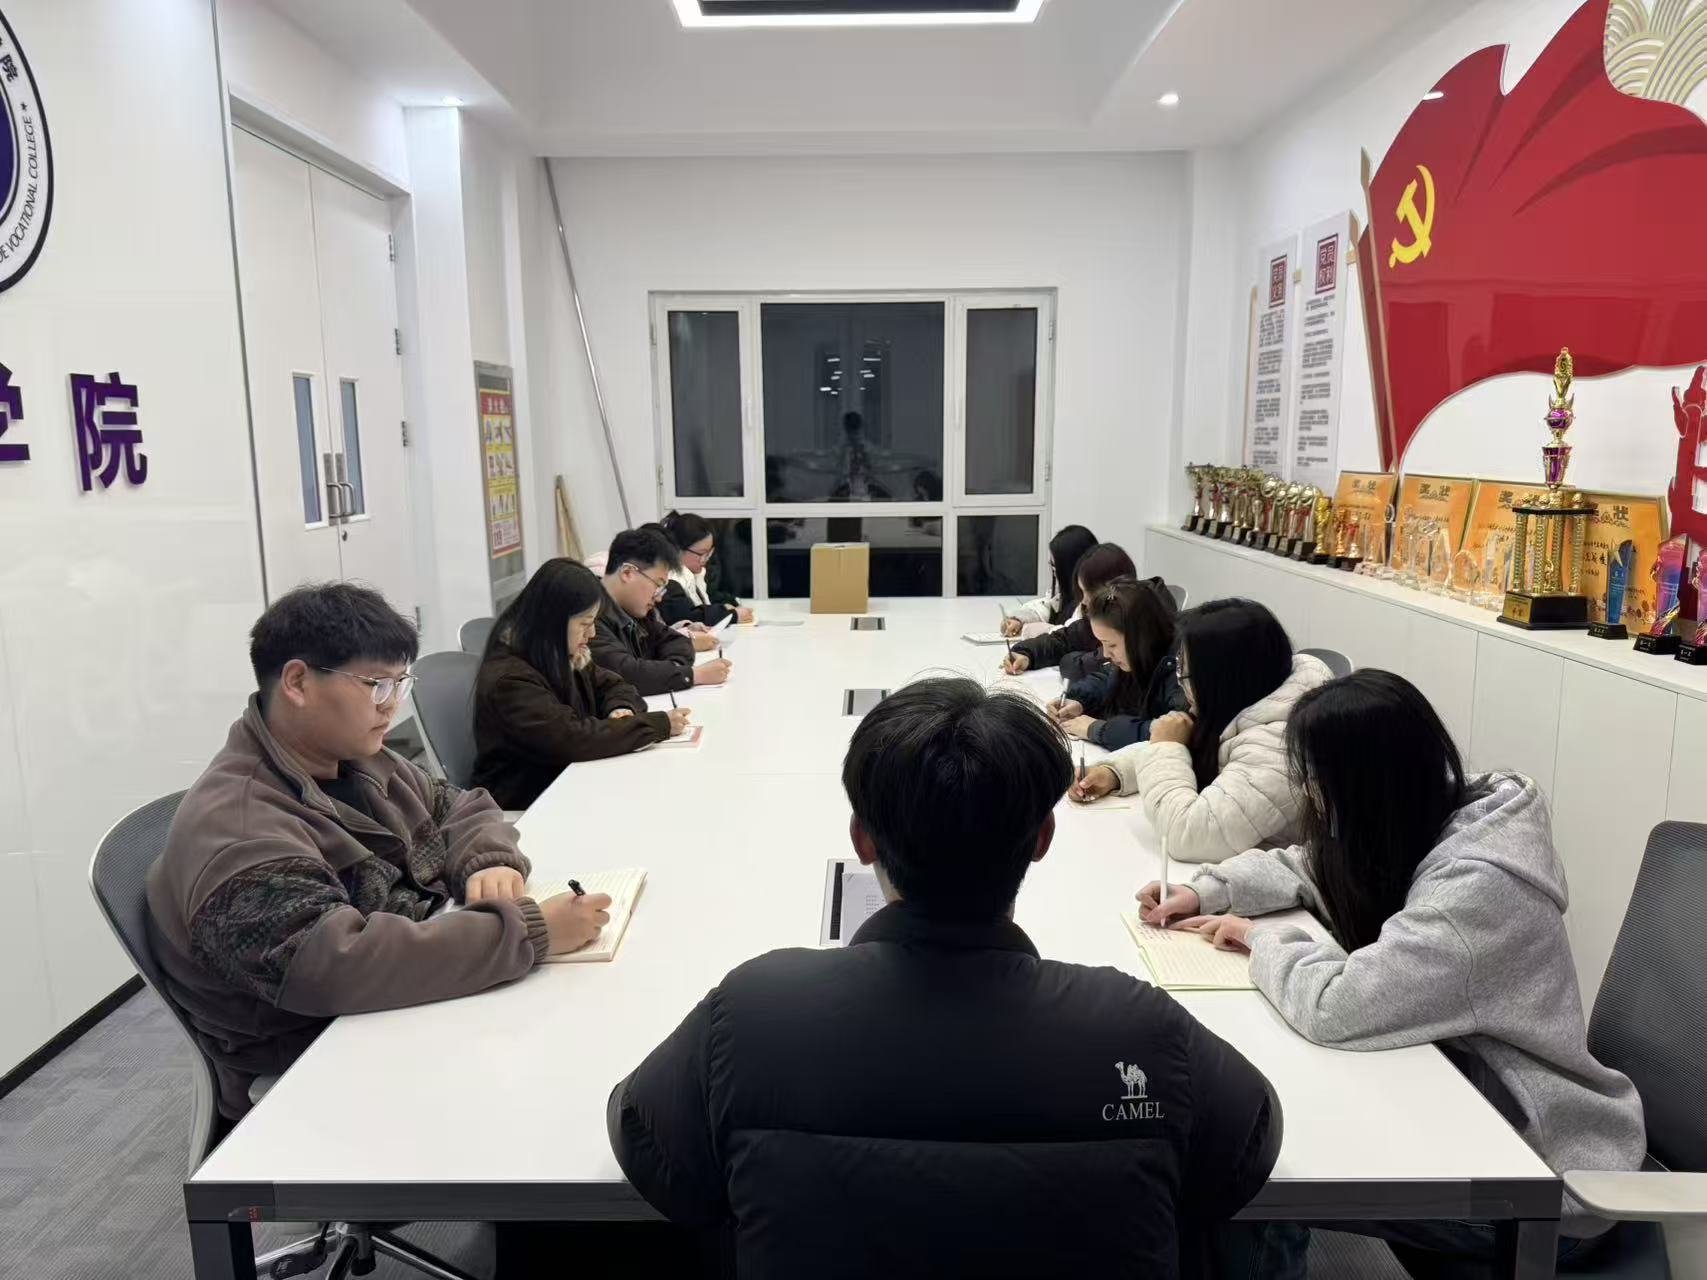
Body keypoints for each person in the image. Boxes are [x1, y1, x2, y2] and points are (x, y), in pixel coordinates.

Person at [608, 678, 1281, 1277]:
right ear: (1043, 838)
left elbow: (648, 1144)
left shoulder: (755, 1011)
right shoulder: (1138, 1027)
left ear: (862, 840)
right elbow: (1243, 1152)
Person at [1140, 671, 1646, 1277]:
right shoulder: (1423, 819)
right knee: (1249, 1136)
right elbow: (1312, 864)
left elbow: (1336, 1004)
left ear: (1366, 787)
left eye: (1317, 784)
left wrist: (1261, 938)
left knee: (1248, 1173)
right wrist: (1209, 891)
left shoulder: (1477, 890)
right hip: (1460, 1108)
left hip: (1543, 1179)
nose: (1312, 801)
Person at [145, 583, 615, 1120]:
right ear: (297, 682)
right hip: (323, 1055)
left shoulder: (351, 756)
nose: (392, 705)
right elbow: (335, 967)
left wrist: (487, 859)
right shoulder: (242, 827)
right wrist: (530, 932)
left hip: (404, 996)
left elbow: (459, 805)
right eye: (376, 685)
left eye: (400, 684)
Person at [1070, 598, 1330, 864]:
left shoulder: (1279, 746)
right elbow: (1184, 742)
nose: (1182, 684)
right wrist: (1115, 772)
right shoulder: (1245, 698)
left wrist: (1165, 748)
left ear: (1222, 678)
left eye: (1186, 674)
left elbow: (1190, 835)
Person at [474, 558, 692, 810]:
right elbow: (572, 738)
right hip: (528, 805)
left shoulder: (560, 654)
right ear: (553, 621)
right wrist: (658, 725)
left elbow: (613, 684)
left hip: (568, 784)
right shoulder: (510, 680)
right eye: (585, 624)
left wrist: (619, 709)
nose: (592, 634)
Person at [1050, 579, 1186, 750]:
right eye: (1102, 643)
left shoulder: (1182, 670)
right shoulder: (1137, 657)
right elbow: (1107, 677)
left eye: (1112, 645)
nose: (1106, 654)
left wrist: (1097, 730)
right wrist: (1078, 700)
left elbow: (1168, 731)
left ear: (1140, 638)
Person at [592, 528, 731, 694]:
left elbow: (678, 642)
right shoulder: (588, 615)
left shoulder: (635, 611)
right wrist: (692, 675)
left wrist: (670, 672)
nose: (658, 598)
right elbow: (627, 673)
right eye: (657, 585)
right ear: (627, 573)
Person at [1000, 542, 1168, 679]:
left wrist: (1074, 659)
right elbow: (1064, 640)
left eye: (1089, 592)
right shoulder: (1107, 613)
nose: (1084, 601)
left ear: (1112, 587)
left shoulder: (1146, 624)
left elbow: (1078, 667)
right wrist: (1026, 654)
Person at [654, 511, 755, 629]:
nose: (706, 559)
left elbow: (711, 597)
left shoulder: (695, 574)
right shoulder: (669, 580)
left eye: (709, 553)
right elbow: (688, 615)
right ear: (677, 549)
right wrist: (731, 615)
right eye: (701, 553)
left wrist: (728, 605)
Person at [1000, 524, 1099, 635]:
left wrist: (1046, 630)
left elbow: (1073, 636)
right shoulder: (1066, 593)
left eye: (1054, 566)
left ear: (1070, 567)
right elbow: (1047, 607)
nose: (1053, 572)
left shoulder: (1094, 603)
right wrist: (1019, 620)